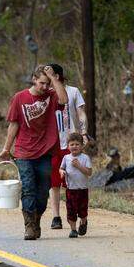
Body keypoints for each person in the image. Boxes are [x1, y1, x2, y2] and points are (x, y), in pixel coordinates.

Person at [0, 65, 69, 240]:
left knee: (43, 191)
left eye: (47, 84)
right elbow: (14, 124)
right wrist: (7, 148)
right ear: (34, 80)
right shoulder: (19, 98)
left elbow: (64, 99)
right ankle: (29, 226)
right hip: (24, 152)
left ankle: (36, 219)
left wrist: (54, 78)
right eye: (42, 83)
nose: (45, 87)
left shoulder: (52, 96)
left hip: (46, 151)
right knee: (28, 188)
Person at [45, 63, 88, 231]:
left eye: (50, 75)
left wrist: (83, 133)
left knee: (74, 180)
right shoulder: (46, 94)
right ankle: (56, 216)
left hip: (71, 142)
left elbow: (81, 113)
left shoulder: (73, 91)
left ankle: (78, 214)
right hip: (54, 143)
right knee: (54, 181)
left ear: (57, 76)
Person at [58, 132, 93, 238]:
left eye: (77, 144)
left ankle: (83, 223)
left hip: (82, 189)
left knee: (83, 210)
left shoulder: (85, 158)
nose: (74, 146)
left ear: (82, 146)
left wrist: (79, 166)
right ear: (68, 146)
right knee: (71, 210)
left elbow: (89, 172)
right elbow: (61, 168)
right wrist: (62, 172)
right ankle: (73, 230)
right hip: (71, 189)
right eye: (72, 144)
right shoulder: (66, 158)